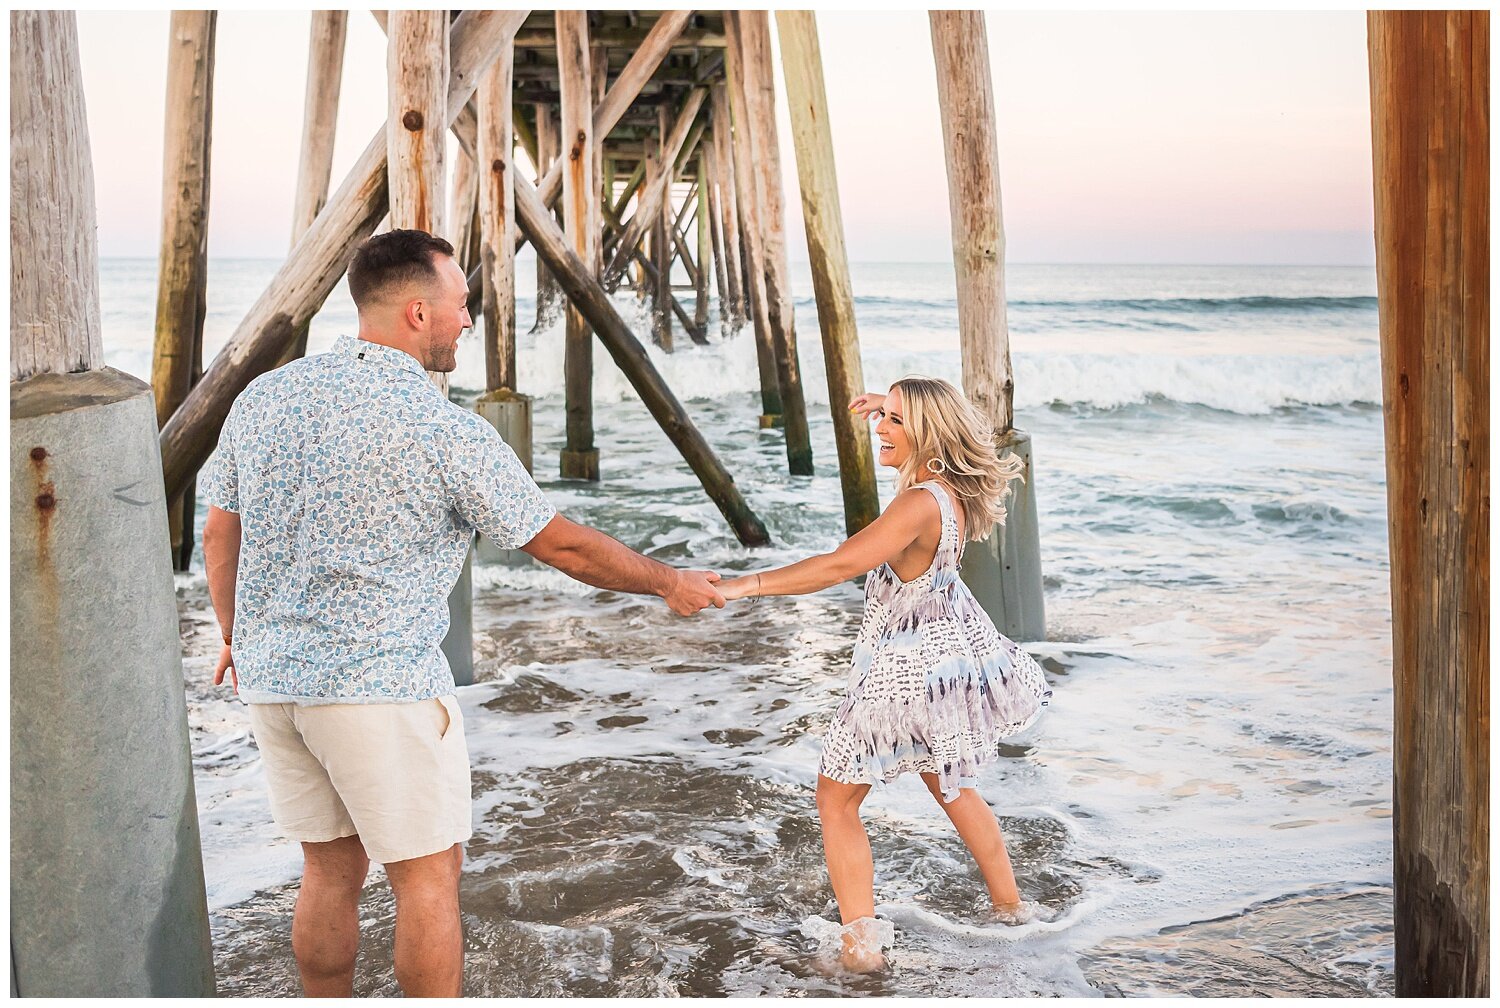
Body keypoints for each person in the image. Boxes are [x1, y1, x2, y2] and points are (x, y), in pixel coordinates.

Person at [200, 229, 724, 997]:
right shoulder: (442, 429)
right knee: (427, 880)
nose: (468, 321)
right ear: (417, 313)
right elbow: (562, 547)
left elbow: (220, 530)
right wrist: (667, 581)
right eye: (462, 305)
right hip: (379, 692)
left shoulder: (268, 396)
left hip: (277, 688)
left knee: (328, 869)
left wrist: (236, 635)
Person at [718, 376, 1051, 973]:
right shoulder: (947, 494)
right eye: (883, 417)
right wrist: (890, 404)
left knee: (836, 801)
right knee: (948, 783)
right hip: (942, 664)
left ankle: (861, 954)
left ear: (927, 434)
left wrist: (745, 585)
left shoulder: (916, 504)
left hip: (901, 675)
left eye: (896, 422)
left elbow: (841, 563)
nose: (880, 428)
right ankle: (1011, 907)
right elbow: (928, 411)